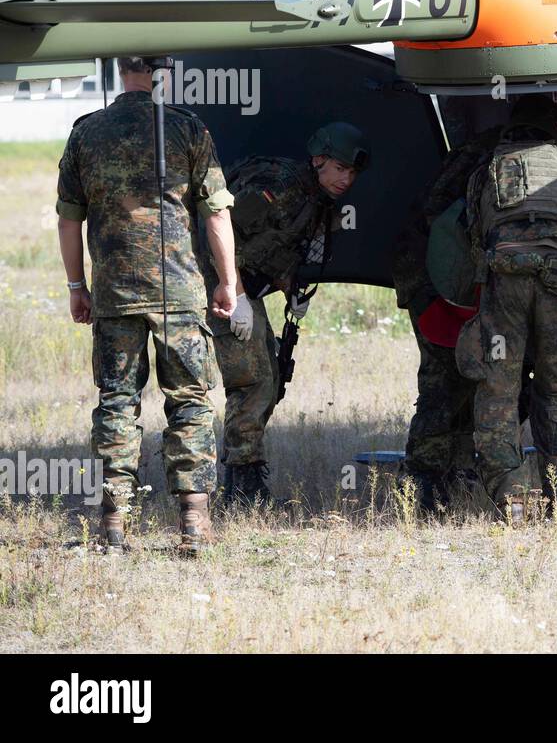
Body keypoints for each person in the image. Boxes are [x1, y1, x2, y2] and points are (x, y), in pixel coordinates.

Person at [56, 54, 238, 554]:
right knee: (189, 402)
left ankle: (113, 526)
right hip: (179, 293)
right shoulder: (188, 129)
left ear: (117, 71)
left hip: (114, 293)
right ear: (163, 74)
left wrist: (77, 286)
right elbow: (217, 216)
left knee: (117, 402)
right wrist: (229, 283)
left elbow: (69, 221)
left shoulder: (86, 133)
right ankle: (194, 523)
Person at [203, 122, 370, 504]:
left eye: (352, 173)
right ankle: (243, 488)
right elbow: (217, 231)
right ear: (318, 161)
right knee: (254, 379)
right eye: (340, 169)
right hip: (216, 281)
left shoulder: (318, 202)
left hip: (240, 286)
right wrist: (236, 294)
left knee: (270, 377)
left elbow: (277, 249)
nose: (347, 179)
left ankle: (242, 475)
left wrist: (290, 289)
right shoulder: (281, 185)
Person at [459, 95, 557, 522]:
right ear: (553, 129)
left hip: (508, 282)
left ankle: (512, 497)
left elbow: (474, 233)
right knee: (556, 383)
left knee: (500, 384)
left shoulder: (490, 168)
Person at [391, 124, 502, 512]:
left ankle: (455, 471)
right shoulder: (493, 163)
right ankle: (420, 480)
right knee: (441, 384)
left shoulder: (475, 155)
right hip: (434, 283)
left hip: (438, 278)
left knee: (466, 377)